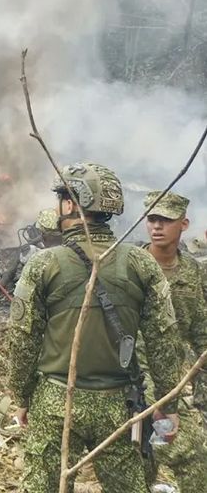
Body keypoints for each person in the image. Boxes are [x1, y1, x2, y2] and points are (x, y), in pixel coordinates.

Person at [7, 162, 183, 493]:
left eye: (62, 198)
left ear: (72, 204)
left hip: (56, 403)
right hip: (120, 404)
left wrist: (21, 395)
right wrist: (168, 404)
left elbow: (21, 339)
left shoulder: (44, 264)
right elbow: (164, 340)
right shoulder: (139, 262)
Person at [140, 191, 207, 491]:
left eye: (166, 220)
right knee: (177, 454)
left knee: (174, 459)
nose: (157, 226)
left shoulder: (194, 271)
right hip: (135, 377)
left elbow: (201, 329)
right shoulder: (132, 266)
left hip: (176, 377)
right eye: (152, 219)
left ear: (184, 224)